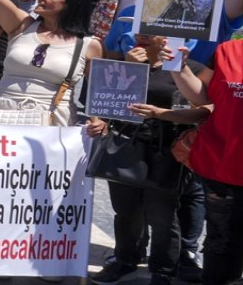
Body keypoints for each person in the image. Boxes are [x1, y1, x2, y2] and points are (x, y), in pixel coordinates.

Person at [87, 34, 208, 285]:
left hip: (165, 148)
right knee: (126, 211)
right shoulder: (124, 61)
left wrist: (163, 114)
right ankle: (125, 260)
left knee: (162, 215)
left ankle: (163, 269)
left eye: (150, 30)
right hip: (125, 145)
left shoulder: (194, 69)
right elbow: (104, 100)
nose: (139, 35)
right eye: (138, 29)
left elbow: (205, 109)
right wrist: (99, 120)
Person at [169, 38, 243, 285]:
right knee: (222, 244)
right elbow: (203, 97)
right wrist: (179, 66)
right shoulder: (227, 51)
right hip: (224, 169)